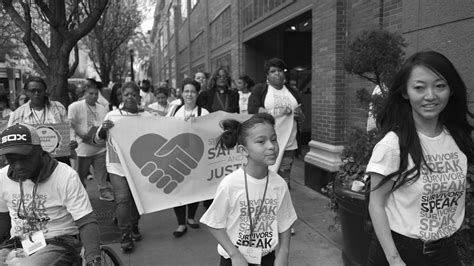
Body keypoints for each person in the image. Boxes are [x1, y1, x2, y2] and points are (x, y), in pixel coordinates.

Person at [366, 51, 474, 266]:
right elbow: (376, 204)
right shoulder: (392, 146)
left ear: (451, 89)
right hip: (401, 251)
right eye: (419, 87)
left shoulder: (458, 137)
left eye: (440, 86)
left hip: (446, 250)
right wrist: (394, 259)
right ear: (405, 92)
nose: (431, 95)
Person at [200, 113, 297, 266]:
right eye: (261, 141)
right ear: (243, 150)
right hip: (234, 259)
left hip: (267, 258)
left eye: (273, 139)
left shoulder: (279, 184)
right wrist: (234, 254)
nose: (271, 146)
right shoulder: (230, 184)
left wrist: (284, 253)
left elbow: (285, 221)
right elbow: (214, 223)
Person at [0, 123, 101, 265]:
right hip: (19, 242)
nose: (18, 166)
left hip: (60, 242)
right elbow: (3, 218)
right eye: (11, 159)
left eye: (24, 158)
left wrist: (93, 258)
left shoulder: (65, 176)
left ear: (40, 151)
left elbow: (86, 221)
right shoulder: (2, 177)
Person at [95, 82, 152, 252]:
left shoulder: (147, 116)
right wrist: (104, 130)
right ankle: (125, 235)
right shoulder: (112, 116)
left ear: (138, 97)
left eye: (133, 94)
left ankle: (134, 226)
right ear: (121, 96)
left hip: (138, 165)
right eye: (126, 94)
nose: (130, 97)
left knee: (136, 199)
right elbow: (98, 140)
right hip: (117, 165)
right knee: (122, 200)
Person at [248, 58, 305, 189]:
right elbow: (253, 111)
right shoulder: (260, 90)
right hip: (266, 144)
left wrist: (301, 116)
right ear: (267, 74)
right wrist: (278, 111)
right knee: (264, 181)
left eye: (280, 70)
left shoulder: (292, 92)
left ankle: (281, 208)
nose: (277, 73)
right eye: (273, 71)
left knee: (283, 182)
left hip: (289, 144)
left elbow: (301, 117)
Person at [167, 78, 209, 237]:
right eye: (186, 91)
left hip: (196, 158)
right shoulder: (174, 110)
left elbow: (209, 134)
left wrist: (197, 124)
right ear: (182, 93)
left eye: (192, 91)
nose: (189, 94)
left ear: (197, 94)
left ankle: (191, 217)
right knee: (177, 190)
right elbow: (165, 128)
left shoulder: (203, 113)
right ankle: (180, 223)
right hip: (176, 157)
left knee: (193, 188)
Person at [8, 76, 74, 166]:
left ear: (44, 91)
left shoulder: (58, 108)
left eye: (40, 90)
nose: (36, 93)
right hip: (31, 161)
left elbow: (68, 129)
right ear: (26, 92)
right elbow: (11, 138)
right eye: (32, 90)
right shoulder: (18, 114)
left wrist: (71, 141)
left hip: (58, 159)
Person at [68, 82, 113, 201]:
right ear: (84, 93)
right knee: (79, 174)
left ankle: (104, 191)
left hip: (99, 146)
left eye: (96, 94)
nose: (93, 96)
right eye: (90, 93)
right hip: (82, 147)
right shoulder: (75, 106)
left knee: (101, 172)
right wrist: (80, 134)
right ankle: (79, 195)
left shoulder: (103, 109)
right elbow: (69, 123)